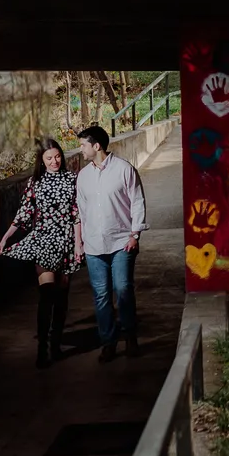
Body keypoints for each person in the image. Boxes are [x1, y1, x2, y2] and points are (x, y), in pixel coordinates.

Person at [0, 137, 80, 368]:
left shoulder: (72, 179)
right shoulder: (35, 182)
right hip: (43, 242)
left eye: (58, 157)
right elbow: (24, 214)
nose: (55, 161)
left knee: (61, 298)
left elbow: (76, 215)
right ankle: (42, 347)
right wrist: (6, 236)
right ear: (41, 161)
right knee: (47, 294)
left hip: (66, 242)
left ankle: (56, 344)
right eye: (49, 158)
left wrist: (79, 245)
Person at [76, 125, 148, 362]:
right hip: (94, 246)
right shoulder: (83, 176)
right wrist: (81, 242)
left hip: (121, 242)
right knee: (101, 295)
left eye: (83, 144)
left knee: (123, 289)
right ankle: (108, 341)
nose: (80, 149)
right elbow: (82, 211)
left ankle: (130, 337)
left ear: (96, 146)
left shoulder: (124, 170)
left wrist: (135, 234)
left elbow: (137, 201)